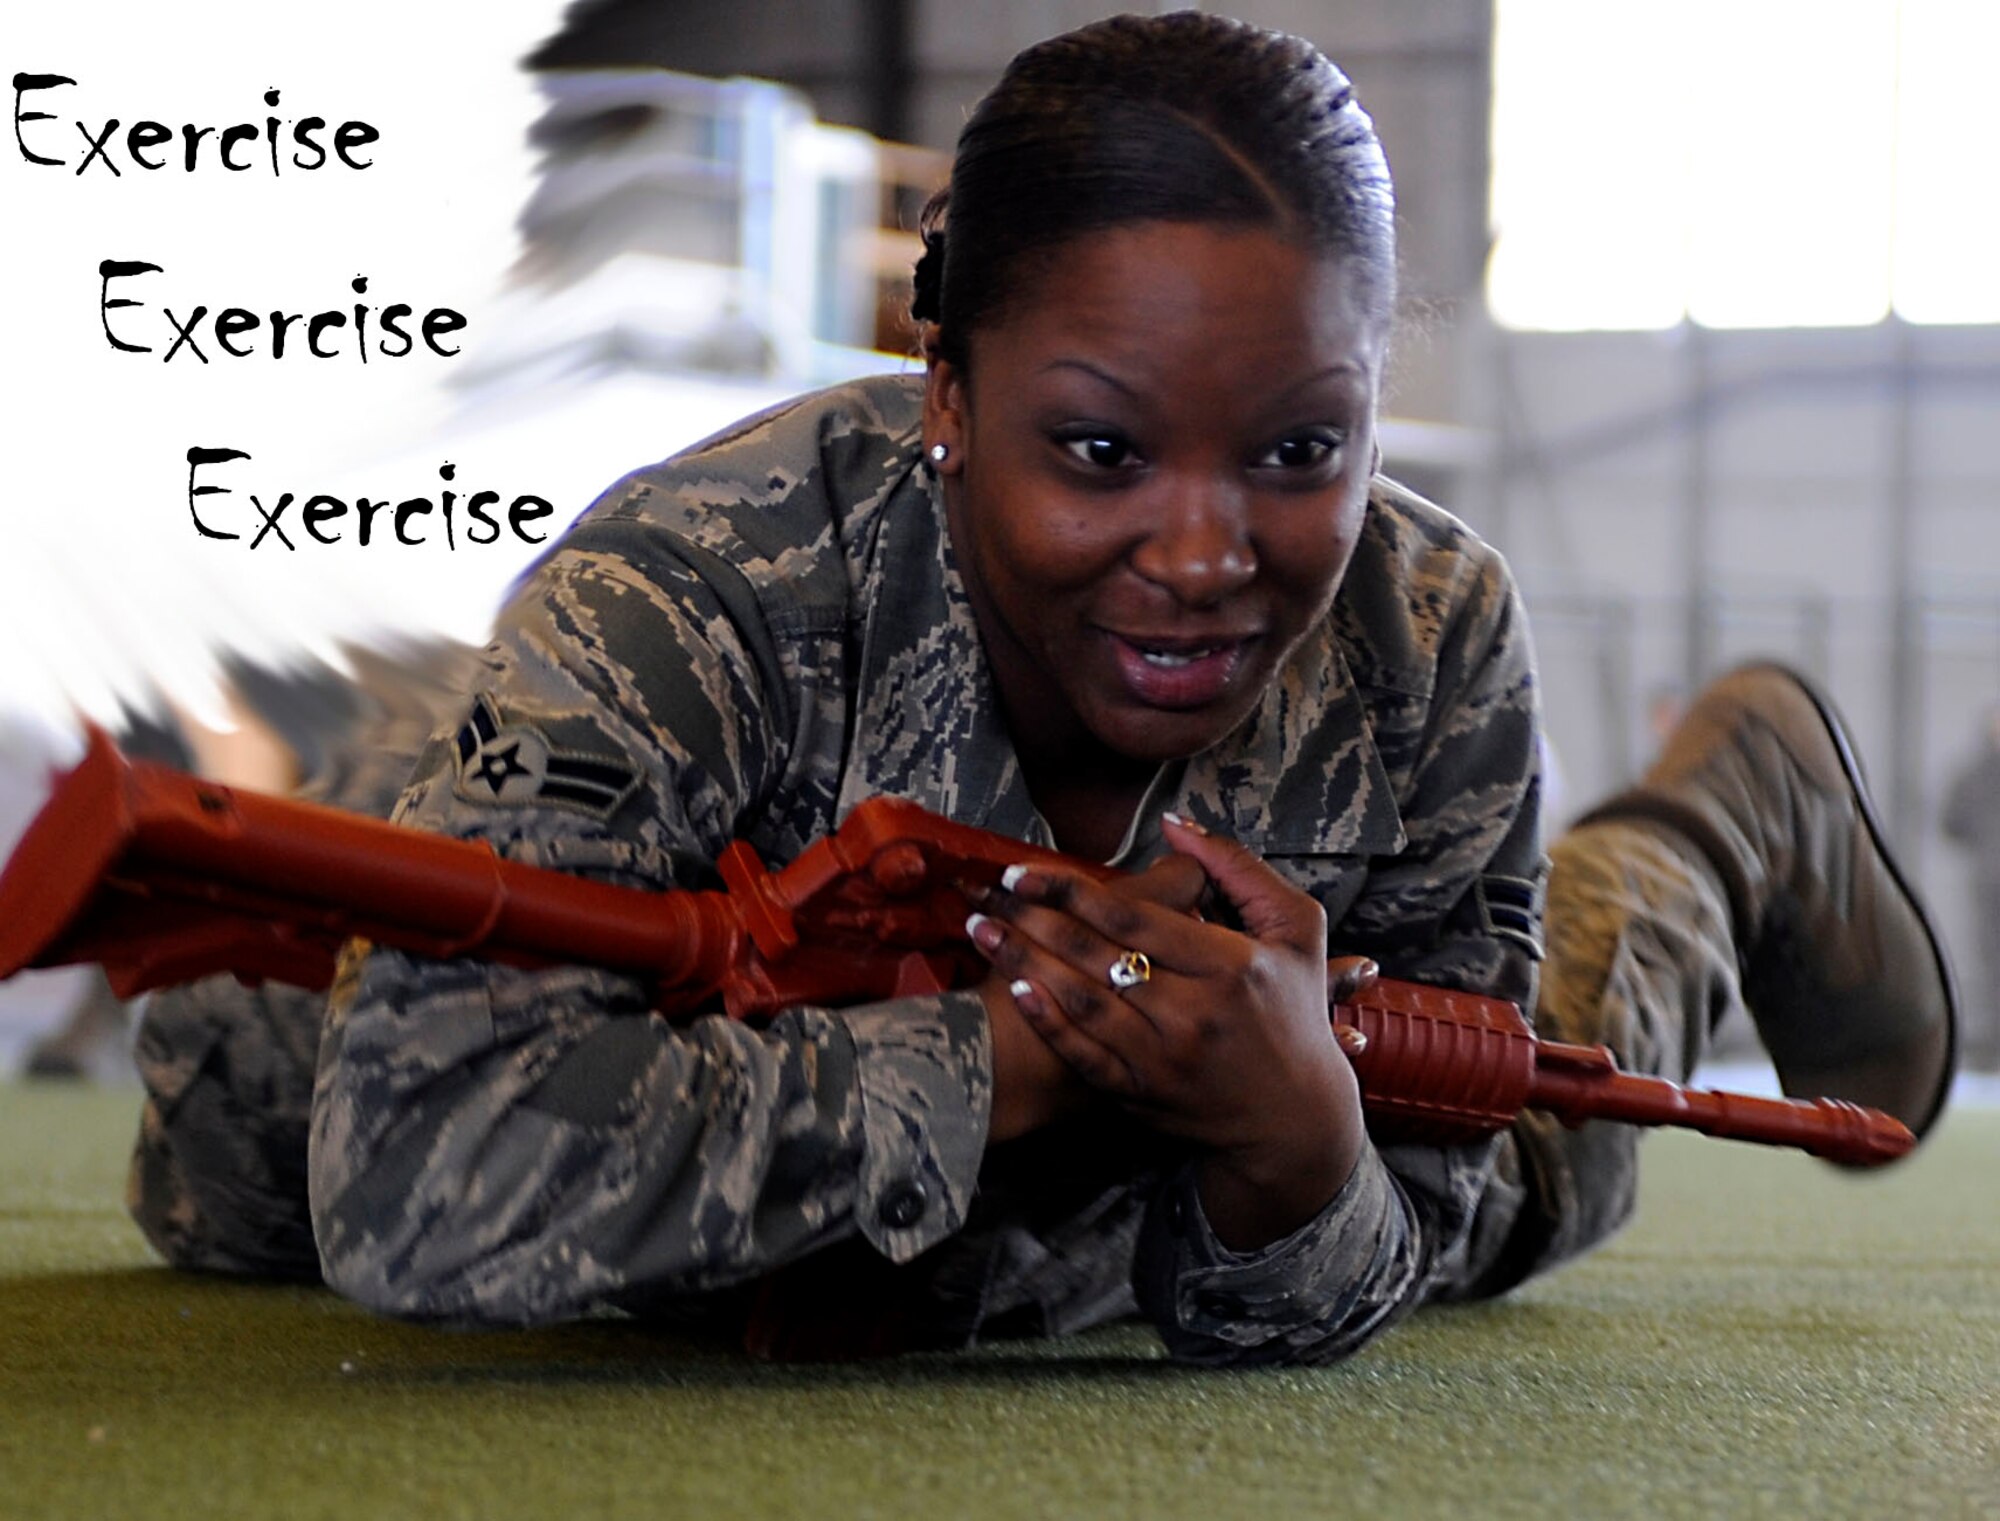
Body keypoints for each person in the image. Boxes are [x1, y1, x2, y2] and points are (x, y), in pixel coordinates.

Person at [129, 12, 1955, 1363]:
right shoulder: (693, 597)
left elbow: (1426, 1218)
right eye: (1096, 450)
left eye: (1303, 447)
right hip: (464, 939)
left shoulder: (1429, 638)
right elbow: (419, 1173)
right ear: (948, 392)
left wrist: (1299, 1152)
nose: (1201, 549)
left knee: (1549, 1136)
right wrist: (1012, 1064)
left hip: (1131, 1148)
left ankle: (1727, 825)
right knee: (239, 1181)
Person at [1943, 706, 2000, 1071]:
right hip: (1989, 888)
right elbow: (1951, 821)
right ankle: (1993, 1044)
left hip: (1988, 881)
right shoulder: (1975, 777)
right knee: (1992, 966)